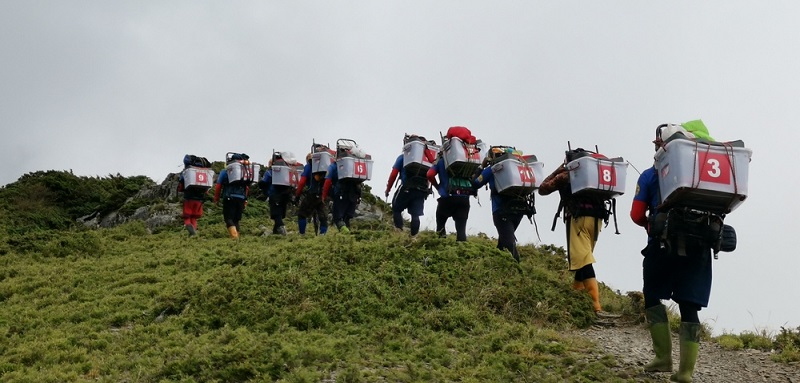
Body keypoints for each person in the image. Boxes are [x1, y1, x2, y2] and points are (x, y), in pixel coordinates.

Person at [630, 128, 712, 382]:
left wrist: (650, 223)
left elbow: (635, 215)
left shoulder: (649, 175)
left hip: (661, 245)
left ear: (662, 146)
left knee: (653, 295)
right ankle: (685, 372)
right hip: (699, 248)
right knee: (689, 305)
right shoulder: (701, 173)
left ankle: (663, 358)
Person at [537, 154, 609, 315]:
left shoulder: (568, 174)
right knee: (582, 258)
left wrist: (559, 169)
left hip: (579, 220)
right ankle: (575, 295)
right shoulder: (594, 174)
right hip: (597, 221)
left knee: (583, 260)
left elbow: (543, 188)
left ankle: (596, 306)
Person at [473, 148, 536, 262]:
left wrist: (481, 167)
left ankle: (518, 270)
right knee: (504, 242)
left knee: (508, 244)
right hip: (519, 211)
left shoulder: (493, 169)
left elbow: (476, 183)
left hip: (501, 212)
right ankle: (496, 266)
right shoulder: (517, 168)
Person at [385, 138, 434, 236]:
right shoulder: (427, 160)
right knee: (415, 215)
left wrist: (388, 189)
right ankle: (413, 237)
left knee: (396, 209)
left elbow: (394, 174)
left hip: (407, 188)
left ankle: (399, 232)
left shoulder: (403, 157)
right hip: (421, 190)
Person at [426, 152, 474, 242]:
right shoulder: (466, 160)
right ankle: (462, 251)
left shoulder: (441, 161)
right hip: (464, 198)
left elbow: (430, 174)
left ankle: (441, 247)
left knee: (440, 225)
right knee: (461, 230)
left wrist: (437, 187)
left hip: (447, 198)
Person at [214, 153, 251, 239]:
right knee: (236, 220)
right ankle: (237, 237)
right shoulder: (245, 171)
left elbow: (218, 186)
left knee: (229, 219)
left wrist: (216, 199)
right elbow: (247, 187)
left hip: (229, 197)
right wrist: (245, 199)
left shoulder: (225, 171)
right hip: (241, 198)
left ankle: (234, 238)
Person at [258, 154, 295, 236]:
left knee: (276, 215)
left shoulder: (269, 172)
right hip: (285, 196)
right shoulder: (286, 172)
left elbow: (263, 183)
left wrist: (260, 184)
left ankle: (283, 231)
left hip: (274, 195)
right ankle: (275, 233)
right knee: (279, 215)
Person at [321, 161, 362, 234]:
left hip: (341, 195)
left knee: (337, 218)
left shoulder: (333, 166)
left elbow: (327, 181)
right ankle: (349, 238)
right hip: (353, 196)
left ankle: (346, 233)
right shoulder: (353, 163)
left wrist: (324, 196)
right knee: (346, 218)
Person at [295, 149, 329, 235]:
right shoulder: (324, 167)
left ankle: (302, 234)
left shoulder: (308, 166)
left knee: (302, 214)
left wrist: (297, 195)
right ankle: (323, 234)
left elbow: (302, 181)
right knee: (323, 216)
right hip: (321, 195)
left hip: (311, 194)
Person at [177, 156, 211, 237]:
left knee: (186, 217)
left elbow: (181, 187)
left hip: (189, 198)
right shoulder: (204, 171)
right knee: (194, 218)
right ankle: (193, 236)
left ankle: (192, 233)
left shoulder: (187, 171)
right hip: (200, 200)